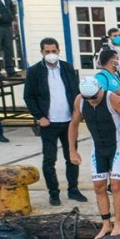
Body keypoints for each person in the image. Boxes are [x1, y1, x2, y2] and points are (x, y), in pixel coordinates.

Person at [68, 76, 120, 238]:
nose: (92, 101)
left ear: (100, 90)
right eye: (88, 98)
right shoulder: (80, 100)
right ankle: (106, 223)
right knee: (98, 187)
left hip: (118, 146)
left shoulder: (112, 99)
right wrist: (72, 150)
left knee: (115, 186)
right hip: (98, 148)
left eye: (94, 97)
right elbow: (73, 124)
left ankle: (118, 223)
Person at [24, 37, 86, 206]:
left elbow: (76, 91)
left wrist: (77, 113)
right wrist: (39, 117)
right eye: (47, 52)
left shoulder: (67, 68)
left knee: (72, 156)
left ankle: (73, 189)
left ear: (59, 51)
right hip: (48, 123)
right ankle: (54, 192)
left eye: (54, 51)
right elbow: (28, 96)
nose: (51, 54)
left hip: (68, 122)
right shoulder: (34, 71)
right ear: (42, 52)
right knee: (49, 159)